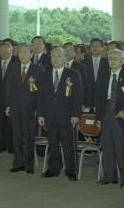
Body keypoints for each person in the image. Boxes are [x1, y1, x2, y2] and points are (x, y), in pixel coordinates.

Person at [95, 49, 124, 187]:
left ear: (122, 61)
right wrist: (98, 118)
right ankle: (109, 176)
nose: (112, 61)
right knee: (107, 145)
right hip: (106, 113)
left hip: (123, 114)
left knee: (121, 146)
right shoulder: (103, 75)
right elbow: (98, 98)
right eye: (110, 58)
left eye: (116, 58)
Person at [37, 47, 82, 181]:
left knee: (69, 144)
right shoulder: (44, 75)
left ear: (64, 58)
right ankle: (53, 169)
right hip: (50, 116)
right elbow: (40, 96)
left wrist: (76, 114)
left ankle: (71, 170)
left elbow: (78, 96)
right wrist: (40, 114)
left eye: (58, 56)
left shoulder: (73, 74)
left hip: (68, 116)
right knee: (53, 144)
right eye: (53, 56)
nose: (55, 59)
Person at [5, 43, 44, 173]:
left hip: (30, 109)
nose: (22, 55)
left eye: (25, 52)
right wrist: (7, 105)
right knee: (16, 137)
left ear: (31, 55)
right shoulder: (12, 68)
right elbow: (8, 88)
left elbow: (41, 93)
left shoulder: (38, 70)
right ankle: (18, 163)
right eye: (20, 52)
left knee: (29, 137)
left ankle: (29, 165)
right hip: (15, 108)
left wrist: (39, 109)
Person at [82, 38, 109, 109]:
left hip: (103, 99)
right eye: (92, 46)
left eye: (97, 46)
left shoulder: (108, 63)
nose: (95, 48)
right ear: (90, 48)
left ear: (102, 48)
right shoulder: (83, 63)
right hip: (87, 99)